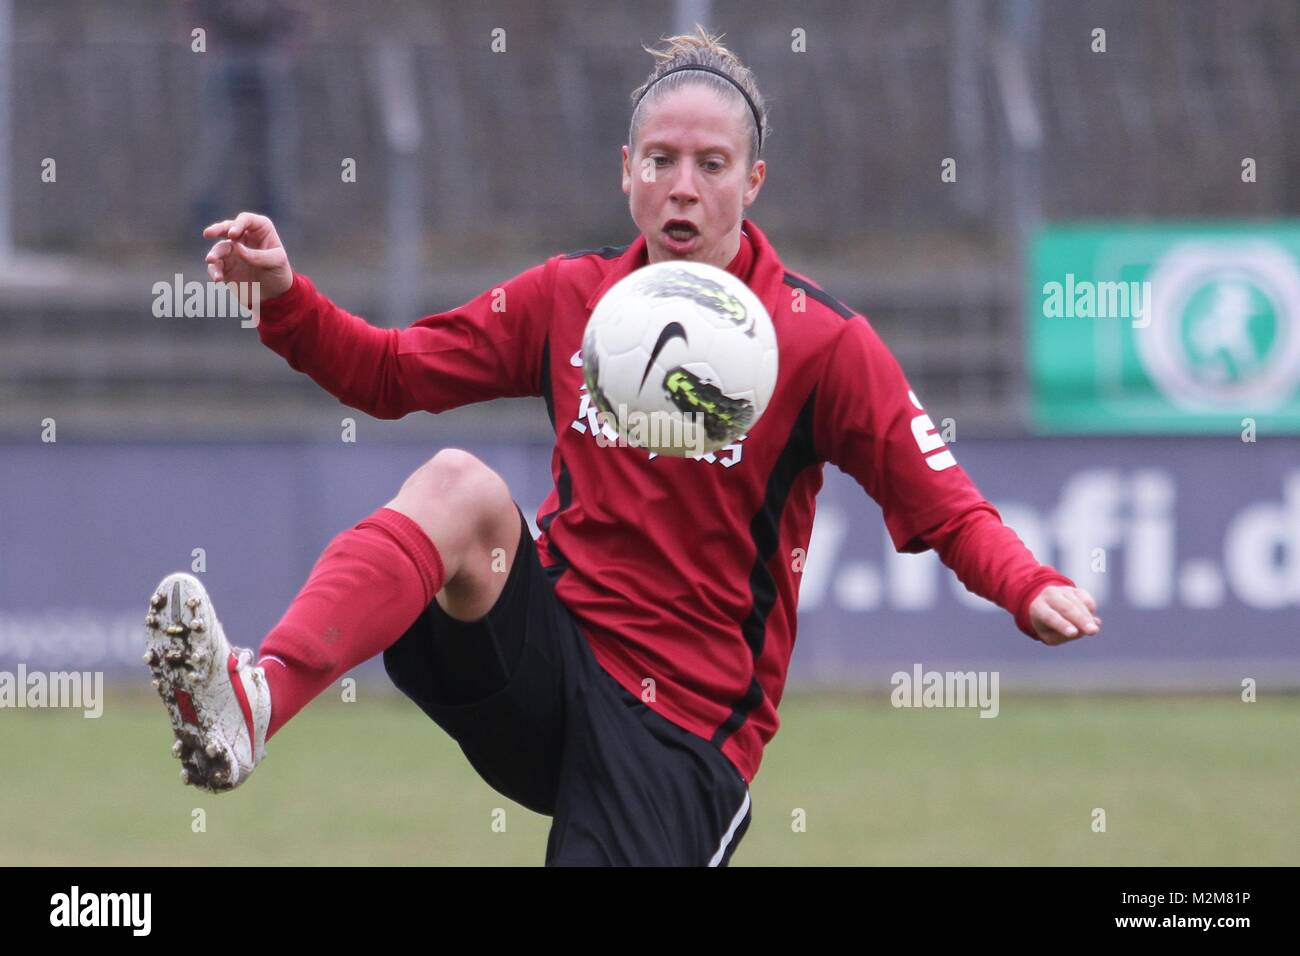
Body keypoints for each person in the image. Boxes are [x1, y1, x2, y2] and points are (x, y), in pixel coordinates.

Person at [145, 27, 1101, 866]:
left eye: (712, 165)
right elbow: (390, 376)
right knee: (458, 485)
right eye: (661, 160)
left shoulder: (821, 342)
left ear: (753, 181)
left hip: (684, 731)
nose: (683, 187)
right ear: (626, 171)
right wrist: (282, 295)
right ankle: (258, 698)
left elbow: (945, 502)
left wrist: (1027, 585)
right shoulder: (571, 297)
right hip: (549, 662)